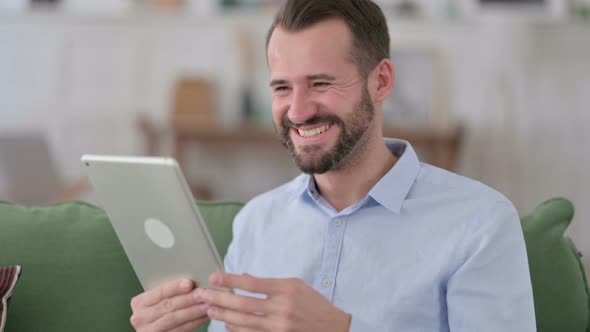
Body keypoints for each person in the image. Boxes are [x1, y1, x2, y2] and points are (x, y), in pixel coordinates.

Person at [129, 1, 536, 331]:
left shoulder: (481, 222)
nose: (299, 110)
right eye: (282, 88)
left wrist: (342, 329)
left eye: (321, 83)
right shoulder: (256, 222)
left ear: (381, 82)